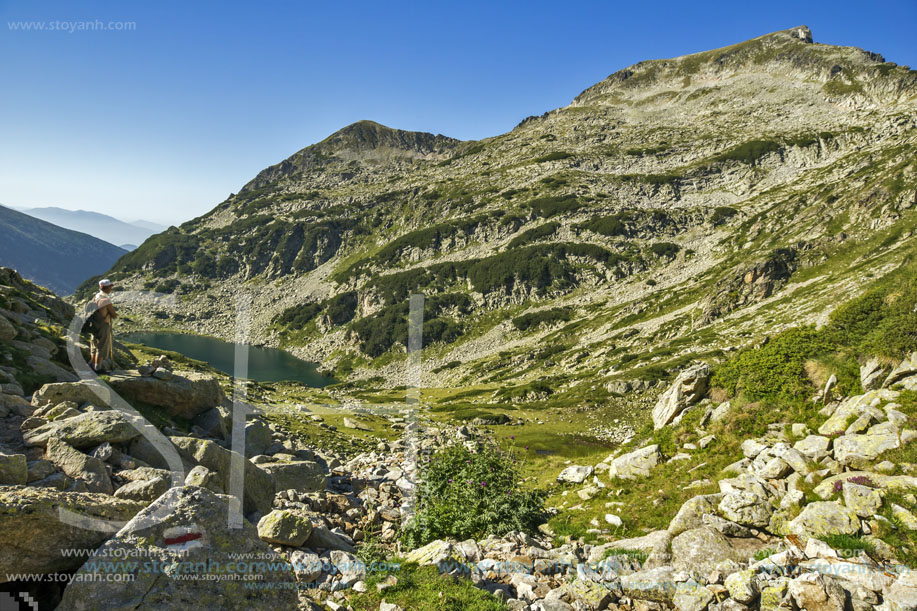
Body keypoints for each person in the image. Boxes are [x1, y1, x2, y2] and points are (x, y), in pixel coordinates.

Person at [90, 278, 118, 373]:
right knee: (102, 346)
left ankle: (93, 366)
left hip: (94, 324)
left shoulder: (96, 297)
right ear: (106, 288)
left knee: (94, 345)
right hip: (103, 324)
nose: (111, 288)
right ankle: (98, 368)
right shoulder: (105, 299)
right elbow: (113, 314)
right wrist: (113, 314)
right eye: (110, 287)